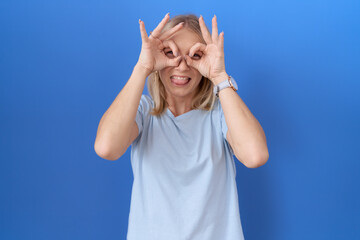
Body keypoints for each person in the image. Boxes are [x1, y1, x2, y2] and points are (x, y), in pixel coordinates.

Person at [94, 12, 269, 240]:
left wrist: (219, 76)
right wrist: (142, 67)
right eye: (170, 53)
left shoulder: (220, 114)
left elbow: (255, 155)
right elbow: (107, 147)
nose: (182, 65)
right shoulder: (144, 112)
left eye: (195, 55)